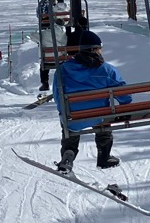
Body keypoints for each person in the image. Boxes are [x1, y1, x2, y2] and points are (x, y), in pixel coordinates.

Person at [52, 28, 128, 172]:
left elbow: (57, 96)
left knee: (68, 124)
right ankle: (104, 156)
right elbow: (124, 95)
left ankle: (68, 155)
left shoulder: (62, 70)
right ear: (95, 49)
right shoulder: (106, 70)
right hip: (99, 117)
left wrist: (63, 113)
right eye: (100, 48)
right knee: (105, 118)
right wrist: (125, 103)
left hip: (73, 118)